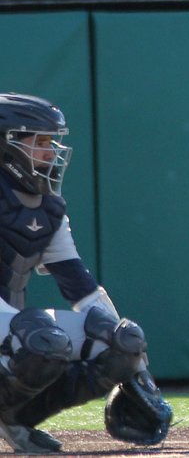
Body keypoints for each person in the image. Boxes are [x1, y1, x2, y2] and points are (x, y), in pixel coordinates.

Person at [0, 93, 172, 454]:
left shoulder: (46, 207)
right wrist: (21, 329)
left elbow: (79, 286)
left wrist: (138, 370)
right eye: (40, 142)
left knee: (122, 342)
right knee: (41, 339)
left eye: (52, 142)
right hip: (10, 329)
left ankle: (15, 420)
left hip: (9, 329)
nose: (51, 152)